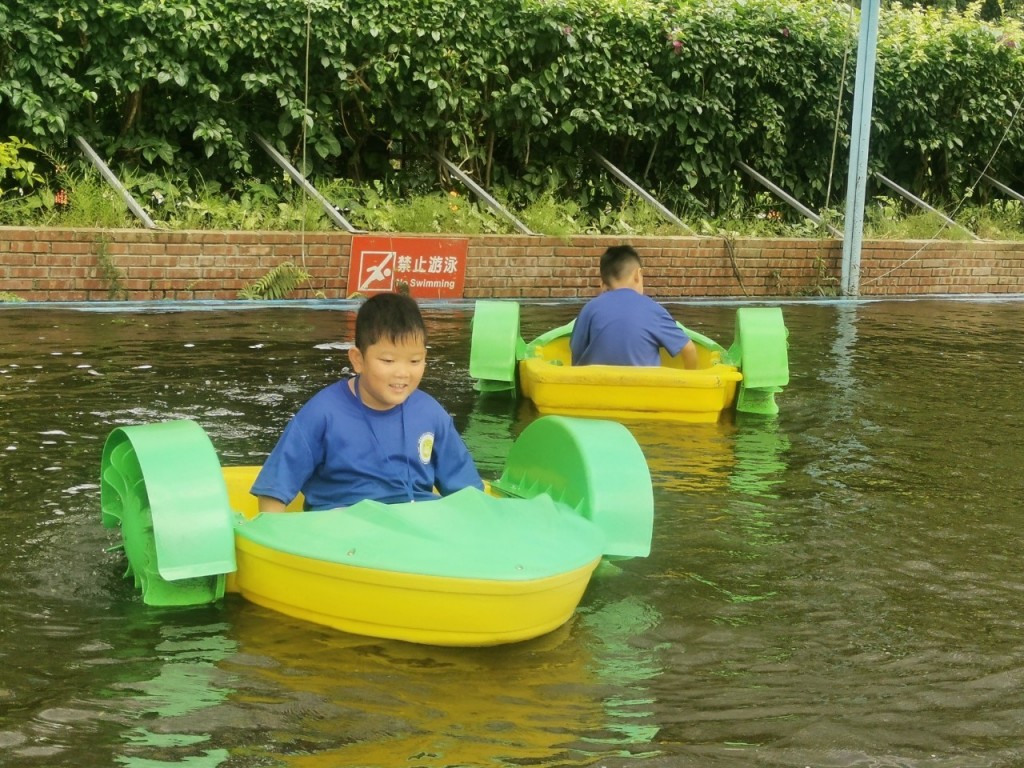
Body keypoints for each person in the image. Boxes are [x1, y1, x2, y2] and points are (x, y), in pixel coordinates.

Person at [250, 292, 484, 512]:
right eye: (388, 360)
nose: (402, 373)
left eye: (415, 361)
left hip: (413, 531)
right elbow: (273, 492)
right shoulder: (322, 414)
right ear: (358, 359)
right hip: (342, 533)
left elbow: (468, 495)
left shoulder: (431, 414)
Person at [570, 245, 698, 368]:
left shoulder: (590, 308)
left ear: (603, 284)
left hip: (599, 387)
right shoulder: (652, 310)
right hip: (642, 388)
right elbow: (689, 349)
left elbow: (576, 351)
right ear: (638, 274)